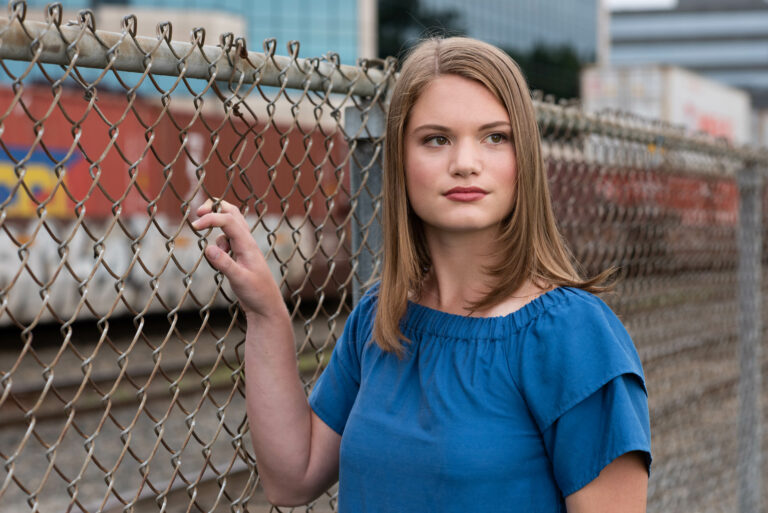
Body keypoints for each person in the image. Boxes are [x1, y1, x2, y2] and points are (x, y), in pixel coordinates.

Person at [192, 36, 651, 513]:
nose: (465, 164)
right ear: (401, 160)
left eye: (495, 137)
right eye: (437, 139)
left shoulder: (574, 336)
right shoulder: (379, 320)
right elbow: (293, 477)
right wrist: (266, 311)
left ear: (525, 160)